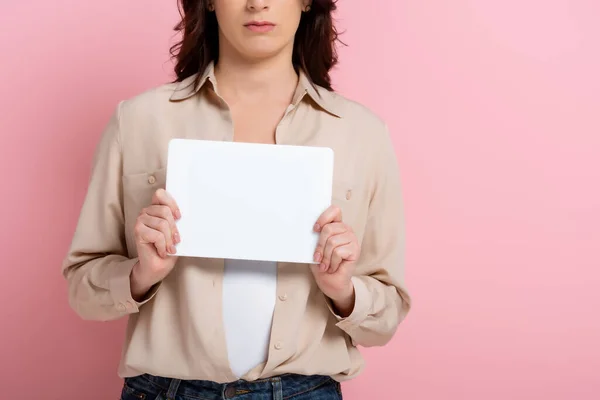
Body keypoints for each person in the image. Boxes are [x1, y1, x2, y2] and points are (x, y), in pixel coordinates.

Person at [62, 0, 411, 399]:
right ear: (209, 2)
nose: (258, 3)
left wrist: (342, 290)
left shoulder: (362, 134)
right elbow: (83, 292)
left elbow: (385, 318)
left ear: (306, 2)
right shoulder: (139, 120)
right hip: (165, 390)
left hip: (307, 390)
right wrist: (142, 275)